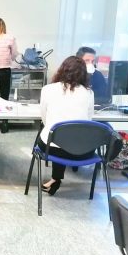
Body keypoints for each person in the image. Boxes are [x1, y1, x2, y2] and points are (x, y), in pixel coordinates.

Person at [37, 56, 95, 195]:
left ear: (62, 70)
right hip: (83, 152)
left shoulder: (47, 89)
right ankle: (55, 179)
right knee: (67, 137)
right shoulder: (89, 93)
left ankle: (56, 179)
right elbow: (88, 120)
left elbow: (44, 118)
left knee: (54, 136)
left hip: (51, 149)